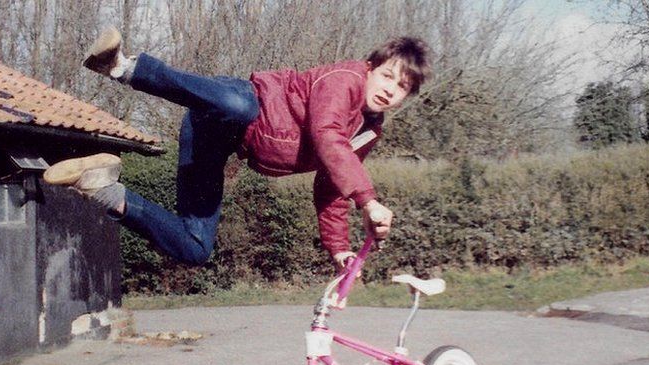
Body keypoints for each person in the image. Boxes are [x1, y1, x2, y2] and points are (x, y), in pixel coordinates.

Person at [43, 28, 431, 269]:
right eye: (385, 76)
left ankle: (102, 187)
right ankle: (121, 66)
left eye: (400, 88)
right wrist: (368, 200)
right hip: (236, 104)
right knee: (239, 106)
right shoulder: (343, 79)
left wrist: (339, 248)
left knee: (195, 248)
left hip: (216, 141)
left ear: (406, 97)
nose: (388, 89)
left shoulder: (368, 131)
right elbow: (328, 135)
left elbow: (331, 186)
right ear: (368, 68)